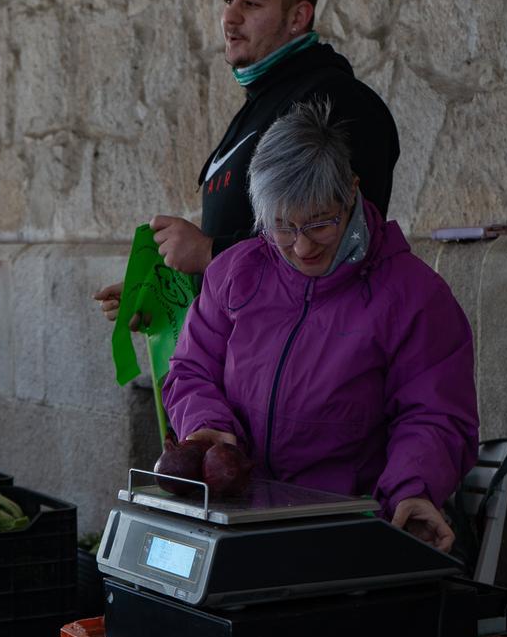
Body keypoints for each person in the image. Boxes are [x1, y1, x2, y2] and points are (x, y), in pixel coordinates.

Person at [161, 99, 476, 552]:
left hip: (345, 531)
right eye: (282, 227)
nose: (302, 246)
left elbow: (435, 414)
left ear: (351, 190)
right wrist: (208, 426)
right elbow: (190, 370)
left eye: (321, 224)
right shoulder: (234, 274)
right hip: (237, 523)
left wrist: (413, 486)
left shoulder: (414, 296)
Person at [95, 0, 399, 319]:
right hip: (240, 357)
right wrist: (172, 294)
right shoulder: (261, 103)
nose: (230, 17)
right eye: (227, 1)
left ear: (297, 17)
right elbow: (244, 250)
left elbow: (340, 245)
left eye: (251, 4)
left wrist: (208, 252)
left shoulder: (335, 102)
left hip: (306, 362)